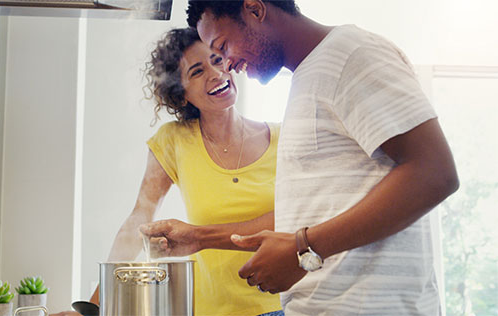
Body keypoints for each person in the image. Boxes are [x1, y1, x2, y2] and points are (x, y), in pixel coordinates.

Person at [184, 1, 460, 315]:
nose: (227, 64)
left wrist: (302, 250)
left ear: (255, 9)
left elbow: (434, 172)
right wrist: (200, 236)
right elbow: (328, 208)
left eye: (223, 46)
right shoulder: (310, 75)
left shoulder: (352, 54)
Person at [52, 27, 283, 316]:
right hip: (207, 310)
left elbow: (292, 221)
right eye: (197, 72)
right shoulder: (174, 140)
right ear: (181, 94)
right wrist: (94, 306)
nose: (215, 74)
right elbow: (140, 218)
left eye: (218, 59)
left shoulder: (283, 138)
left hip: (282, 306)